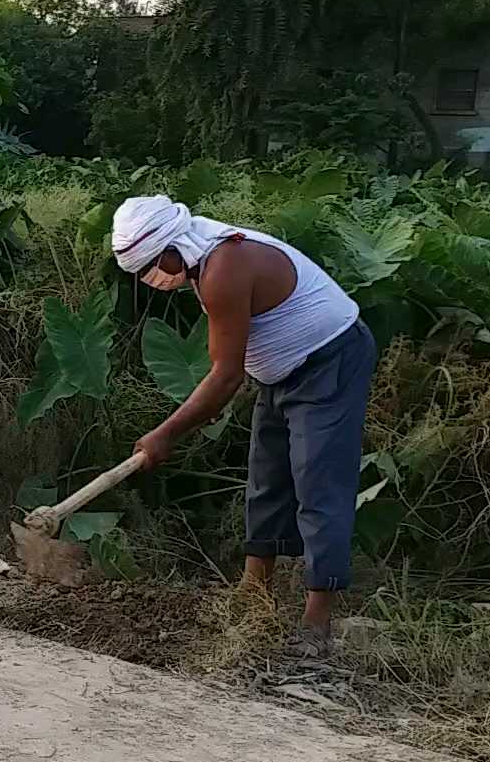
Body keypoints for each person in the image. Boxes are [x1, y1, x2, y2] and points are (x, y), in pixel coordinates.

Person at [111, 195, 376, 657]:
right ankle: (254, 593)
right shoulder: (200, 256)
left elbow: (225, 373)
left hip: (330, 360)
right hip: (280, 372)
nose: (152, 278)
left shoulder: (223, 267)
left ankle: (318, 620)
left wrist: (166, 434)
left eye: (153, 267)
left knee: (318, 482)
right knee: (266, 478)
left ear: (172, 248)